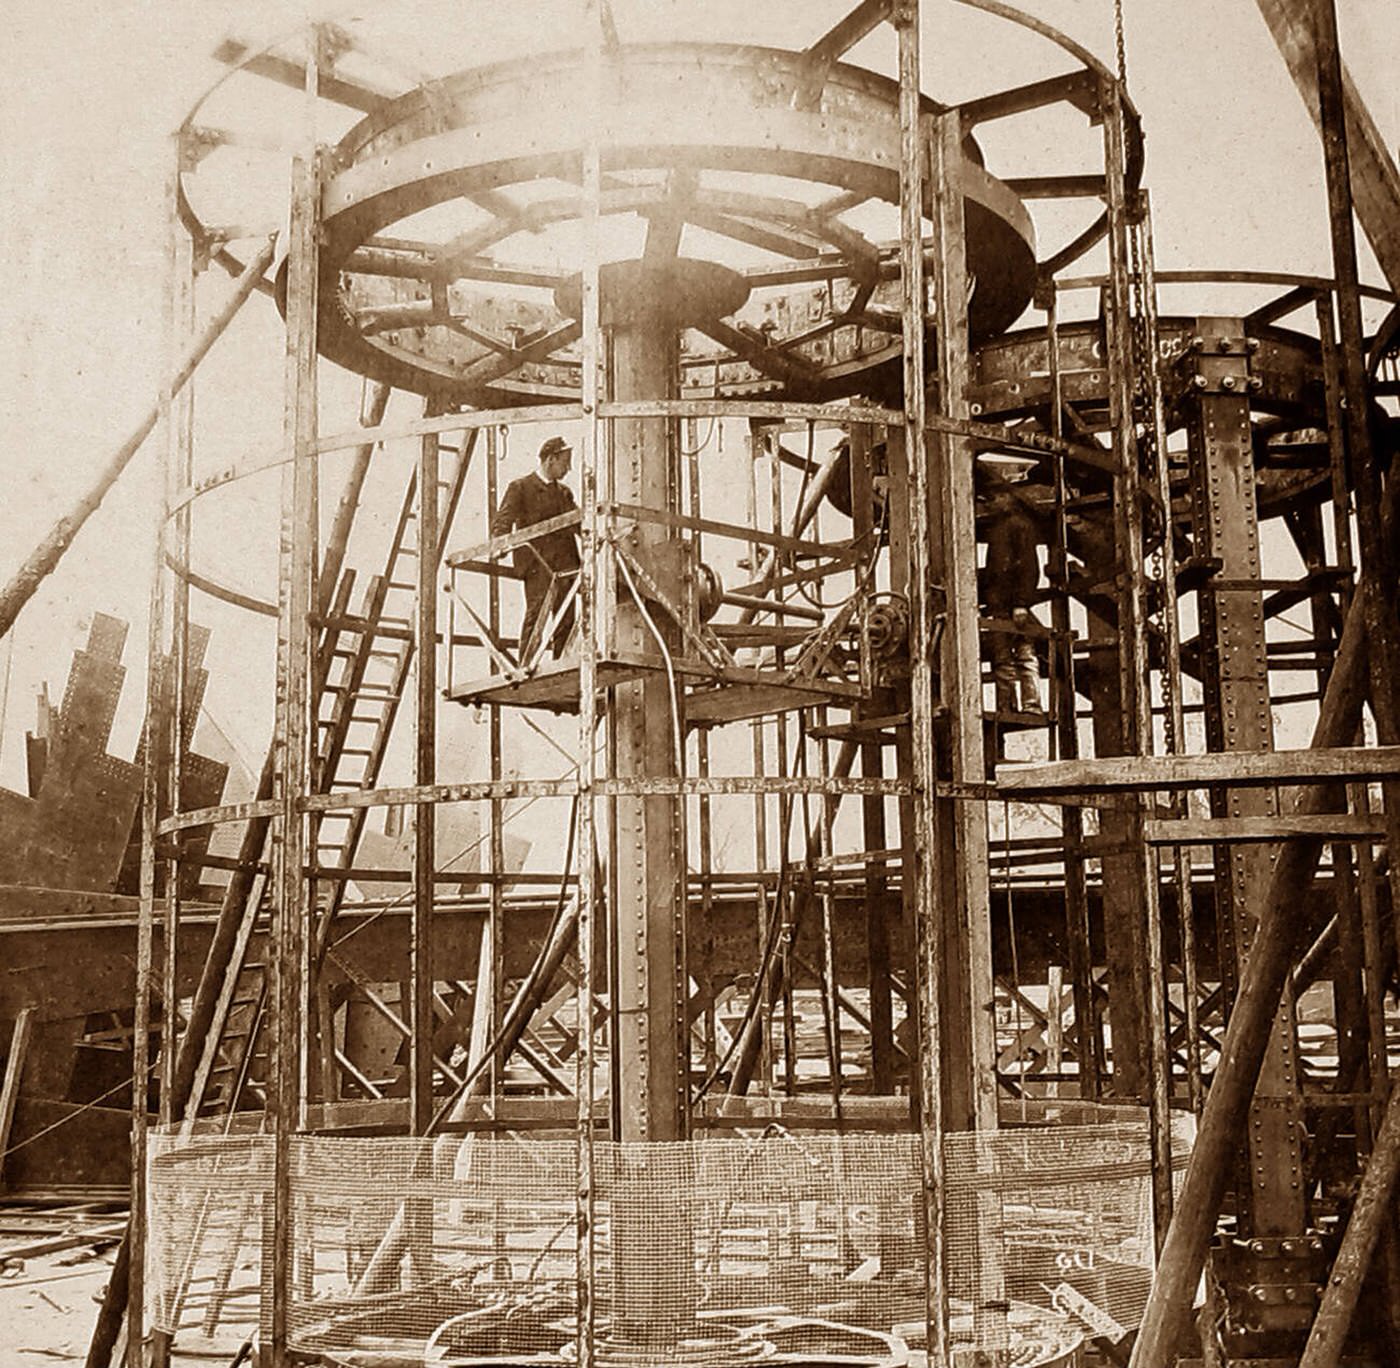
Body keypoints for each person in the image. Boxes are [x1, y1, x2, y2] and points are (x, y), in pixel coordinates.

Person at [491, 436, 580, 658]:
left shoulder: (564, 493)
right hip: (538, 565)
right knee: (536, 615)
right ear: (551, 459)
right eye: (565, 462)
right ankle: (527, 665)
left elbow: (579, 523)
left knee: (566, 619)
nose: (568, 469)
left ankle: (561, 665)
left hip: (566, 566)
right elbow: (503, 520)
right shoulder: (521, 487)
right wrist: (499, 544)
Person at [980, 476, 1045, 715]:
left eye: (995, 498)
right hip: (998, 606)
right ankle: (1006, 705)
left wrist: (1021, 604)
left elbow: (1028, 567)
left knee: (1025, 654)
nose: (990, 503)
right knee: (1002, 658)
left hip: (1014, 606)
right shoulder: (997, 530)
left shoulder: (1020, 525)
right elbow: (992, 571)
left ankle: (1031, 704)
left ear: (1008, 498)